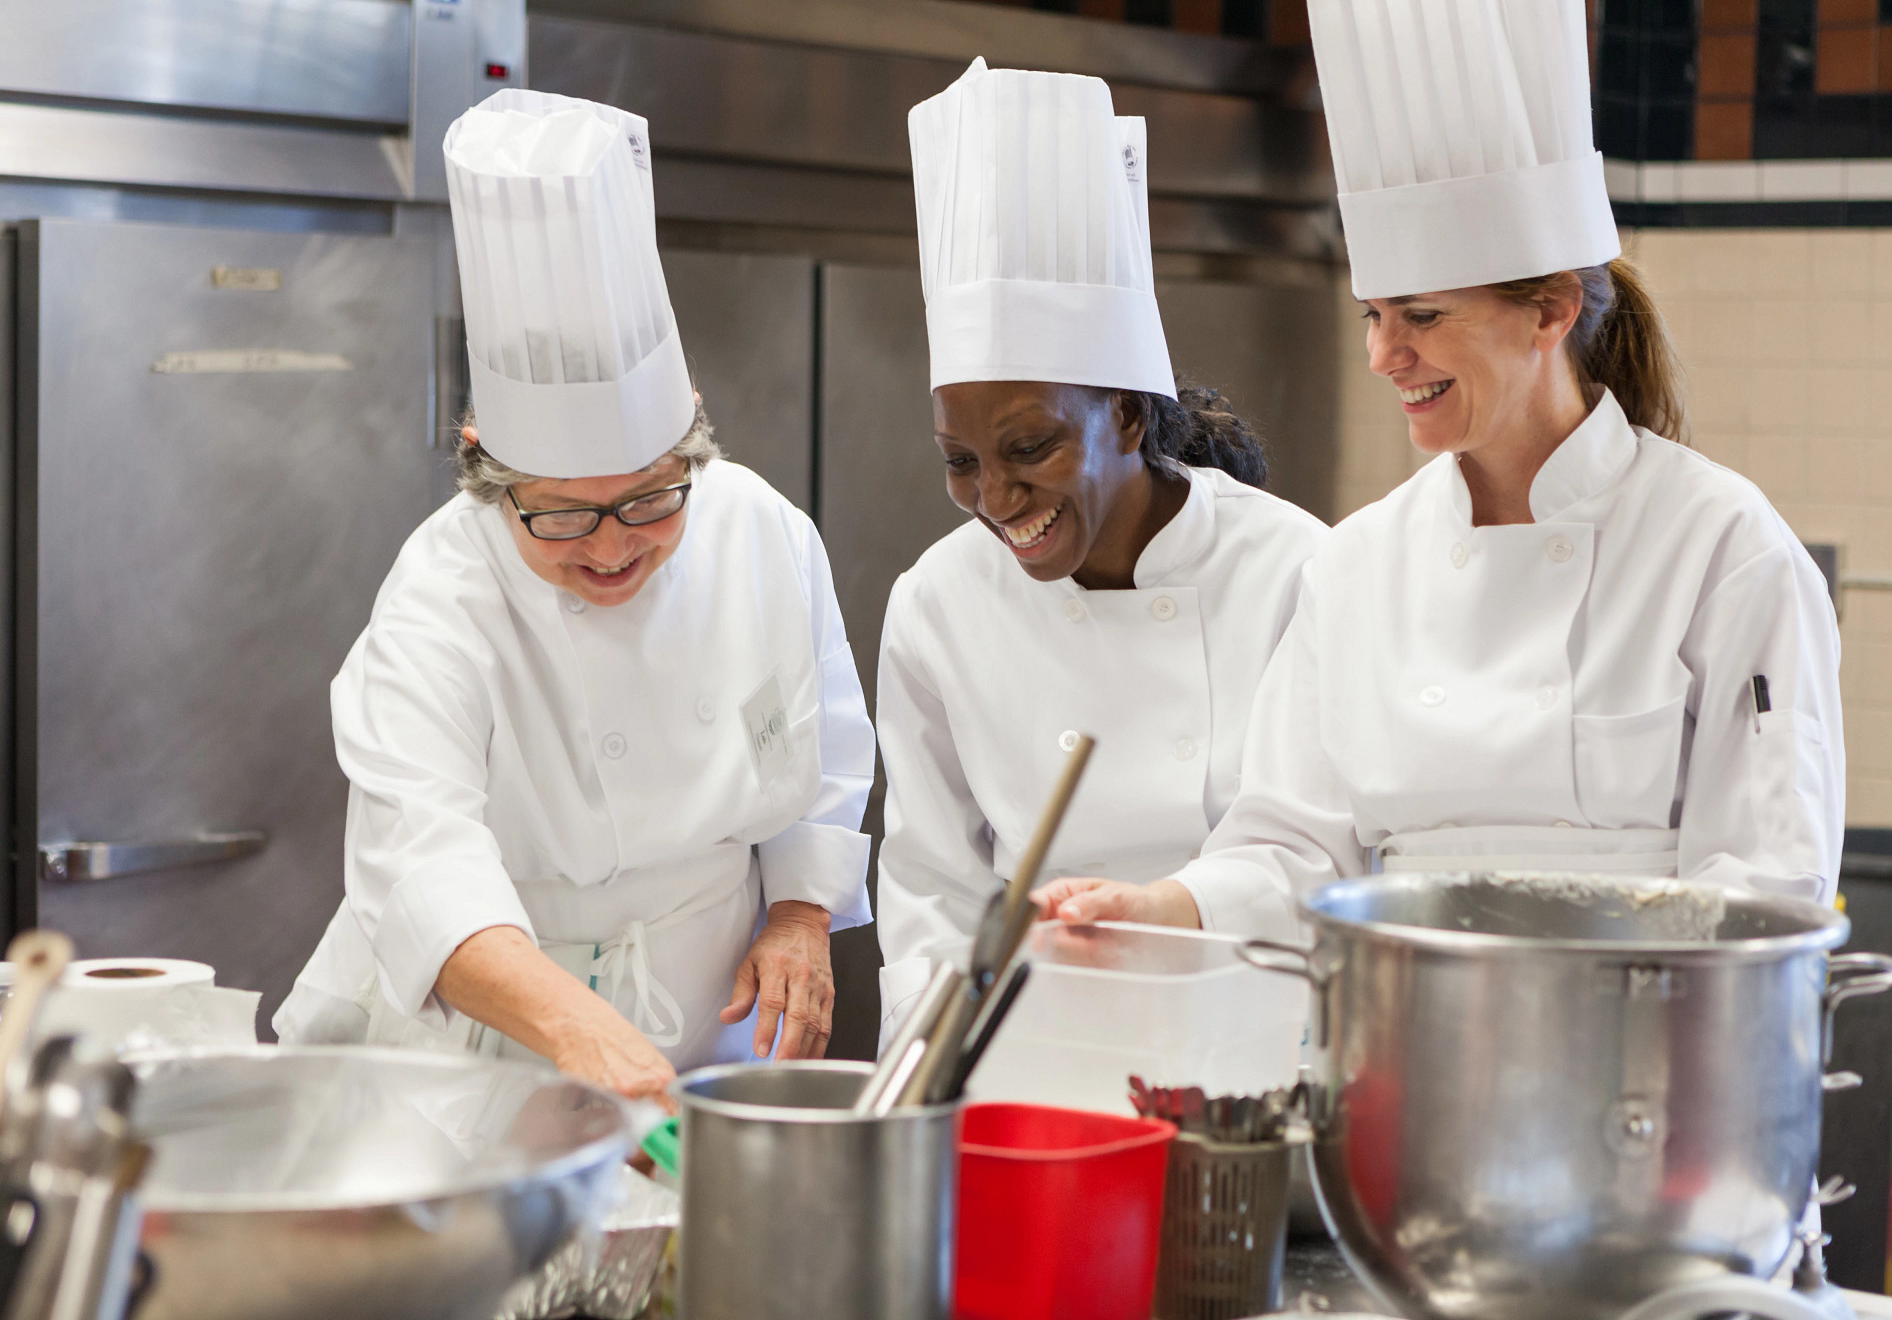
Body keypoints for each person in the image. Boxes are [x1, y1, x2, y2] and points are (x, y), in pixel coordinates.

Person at [1039, 0, 1845, 939]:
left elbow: (1763, 883)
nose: (1383, 355)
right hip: (1408, 1047)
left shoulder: (1719, 547)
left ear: (1546, 312)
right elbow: (1291, 849)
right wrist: (1154, 905)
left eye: (1419, 315)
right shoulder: (1359, 565)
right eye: (1373, 315)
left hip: (1641, 1053)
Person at [275, 90, 874, 1099]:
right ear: (483, 470)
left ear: (692, 433)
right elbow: (418, 866)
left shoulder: (762, 532)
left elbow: (819, 751)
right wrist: (574, 1028)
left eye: (648, 501)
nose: (610, 549)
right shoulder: (441, 594)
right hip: (484, 1051)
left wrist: (798, 915)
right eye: (561, 516)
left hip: (703, 1030)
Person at [873, 60, 1328, 1033]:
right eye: (960, 460)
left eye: (1029, 447)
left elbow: (1319, 853)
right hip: (1023, 1055)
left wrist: (1164, 912)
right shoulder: (936, 603)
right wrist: (928, 1088)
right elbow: (930, 894)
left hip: (1249, 1047)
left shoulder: (1294, 570)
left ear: (1123, 415)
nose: (993, 499)